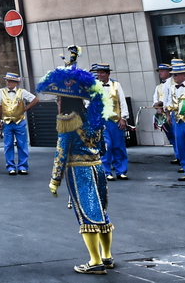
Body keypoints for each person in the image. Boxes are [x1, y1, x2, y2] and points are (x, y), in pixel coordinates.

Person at [39, 50, 115, 275]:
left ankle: (95, 261)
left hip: (80, 171)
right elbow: (103, 147)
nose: (57, 102)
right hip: (98, 167)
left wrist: (54, 180)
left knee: (87, 215)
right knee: (101, 212)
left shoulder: (67, 120)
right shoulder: (94, 118)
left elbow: (61, 153)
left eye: (58, 99)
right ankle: (107, 256)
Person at [0, 72, 38, 175]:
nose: (8, 83)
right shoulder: (1, 91)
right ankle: (11, 167)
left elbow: (35, 99)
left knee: (22, 144)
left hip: (19, 121)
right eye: (7, 81)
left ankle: (23, 166)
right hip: (7, 122)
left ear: (16, 83)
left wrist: (25, 108)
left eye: (10, 81)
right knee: (8, 145)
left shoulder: (21, 92)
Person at [93, 64, 129, 181]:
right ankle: (106, 171)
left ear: (108, 74)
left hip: (115, 120)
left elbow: (122, 102)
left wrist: (123, 118)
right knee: (106, 146)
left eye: (102, 72)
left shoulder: (116, 85)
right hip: (101, 121)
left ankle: (121, 171)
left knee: (119, 146)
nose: (99, 75)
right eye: (98, 72)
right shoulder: (93, 85)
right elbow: (88, 102)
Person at [152, 63, 179, 164]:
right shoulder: (158, 87)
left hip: (173, 113)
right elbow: (155, 100)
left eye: (162, 71)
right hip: (163, 115)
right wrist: (158, 107)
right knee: (171, 137)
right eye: (159, 71)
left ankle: (182, 156)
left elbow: (169, 98)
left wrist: (160, 103)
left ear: (169, 72)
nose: (160, 73)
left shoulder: (173, 83)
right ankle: (178, 155)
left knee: (178, 136)